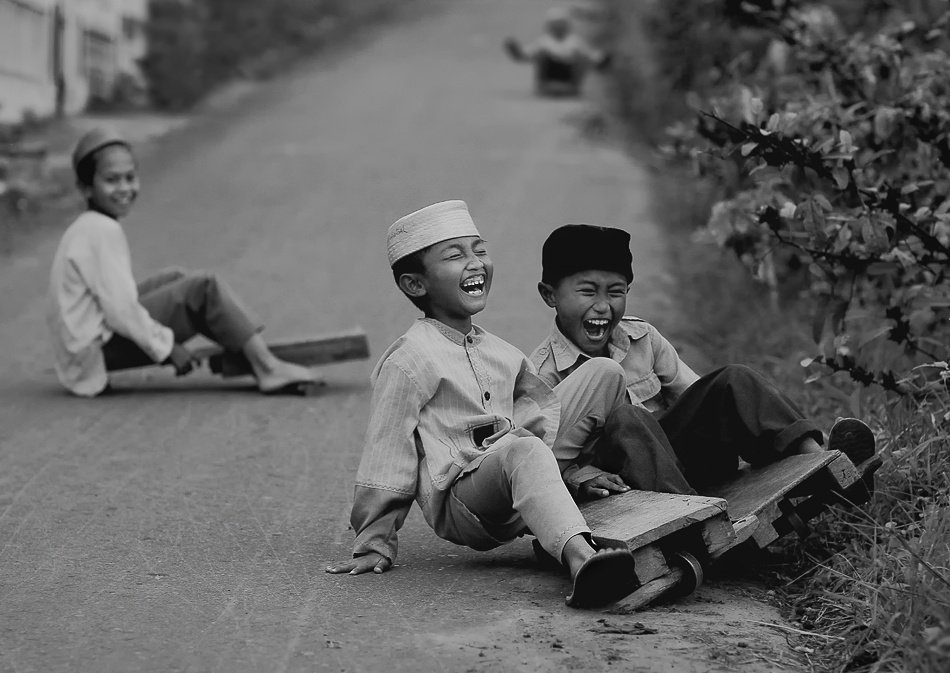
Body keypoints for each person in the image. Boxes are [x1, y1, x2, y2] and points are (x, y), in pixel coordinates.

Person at [326, 201, 639, 608]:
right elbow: (387, 452)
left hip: (515, 462)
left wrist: (573, 469)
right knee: (523, 450)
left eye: (479, 250)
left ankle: (569, 493)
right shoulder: (410, 360)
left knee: (604, 372)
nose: (475, 263)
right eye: (455, 256)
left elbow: (540, 412)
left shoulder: (501, 352)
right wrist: (374, 541)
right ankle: (583, 561)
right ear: (415, 285)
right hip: (463, 497)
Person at [529, 224, 877, 497]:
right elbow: (545, 463)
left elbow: (697, 397)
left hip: (686, 462)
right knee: (628, 418)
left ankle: (821, 462)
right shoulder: (543, 374)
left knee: (733, 380)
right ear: (549, 295)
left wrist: (729, 411)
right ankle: (693, 520)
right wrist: (583, 478)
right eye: (588, 291)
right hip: (632, 487)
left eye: (616, 292)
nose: (604, 306)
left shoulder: (642, 337)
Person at [46, 127, 319, 397]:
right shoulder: (101, 230)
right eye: (111, 180)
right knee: (203, 289)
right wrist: (166, 348)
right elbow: (121, 310)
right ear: (85, 188)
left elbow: (115, 304)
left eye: (130, 177)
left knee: (175, 278)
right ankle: (268, 367)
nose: (124, 188)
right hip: (94, 355)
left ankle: (247, 349)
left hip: (80, 352)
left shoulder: (87, 226)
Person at [504, 6, 610, 95]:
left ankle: (571, 87)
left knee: (581, 56)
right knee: (542, 53)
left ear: (566, 25)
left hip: (570, 84)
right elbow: (523, 56)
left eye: (561, 24)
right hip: (547, 84)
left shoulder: (575, 43)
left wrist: (606, 57)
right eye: (555, 24)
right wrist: (514, 49)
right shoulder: (543, 43)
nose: (558, 27)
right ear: (550, 25)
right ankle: (546, 85)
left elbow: (595, 60)